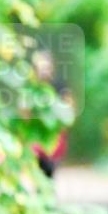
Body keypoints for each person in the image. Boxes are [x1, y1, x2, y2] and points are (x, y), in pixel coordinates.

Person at [29, 49, 74, 178]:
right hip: (34, 139)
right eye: (41, 66)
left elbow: (69, 112)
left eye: (47, 66)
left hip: (54, 139)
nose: (44, 70)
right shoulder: (31, 87)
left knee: (49, 173)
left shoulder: (60, 86)